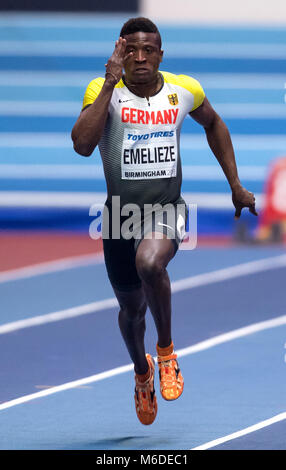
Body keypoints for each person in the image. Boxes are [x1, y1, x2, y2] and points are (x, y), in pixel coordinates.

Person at [71, 17, 257, 426]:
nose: (139, 58)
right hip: (120, 216)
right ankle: (142, 372)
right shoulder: (105, 91)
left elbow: (214, 124)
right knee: (131, 311)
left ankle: (167, 351)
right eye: (131, 50)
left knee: (151, 263)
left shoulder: (183, 90)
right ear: (121, 52)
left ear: (160, 55)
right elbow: (83, 145)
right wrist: (108, 81)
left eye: (148, 50)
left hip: (166, 208)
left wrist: (236, 185)